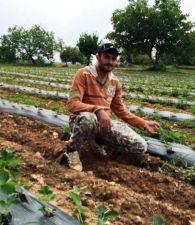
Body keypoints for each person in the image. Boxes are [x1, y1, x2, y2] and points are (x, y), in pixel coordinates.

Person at [65, 43, 160, 171]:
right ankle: (72, 150)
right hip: (82, 121)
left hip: (104, 124)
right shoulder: (83, 74)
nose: (110, 61)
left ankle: (99, 143)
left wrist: (143, 123)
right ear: (98, 57)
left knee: (140, 146)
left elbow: (120, 110)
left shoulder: (115, 82)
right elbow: (72, 104)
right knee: (89, 119)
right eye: (107, 57)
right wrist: (97, 110)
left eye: (113, 59)